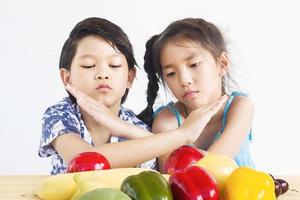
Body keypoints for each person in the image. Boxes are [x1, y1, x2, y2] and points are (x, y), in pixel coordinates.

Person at [38, 17, 228, 175]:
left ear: (130, 77)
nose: (102, 73)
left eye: (114, 65)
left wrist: (128, 130)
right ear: (67, 78)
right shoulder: (60, 115)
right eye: (88, 65)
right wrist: (182, 134)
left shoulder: (136, 126)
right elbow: (84, 161)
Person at [138, 18, 255, 173]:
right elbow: (176, 178)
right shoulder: (167, 121)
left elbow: (214, 166)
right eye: (171, 73)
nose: (184, 80)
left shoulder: (240, 107)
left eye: (194, 64)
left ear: (223, 63)